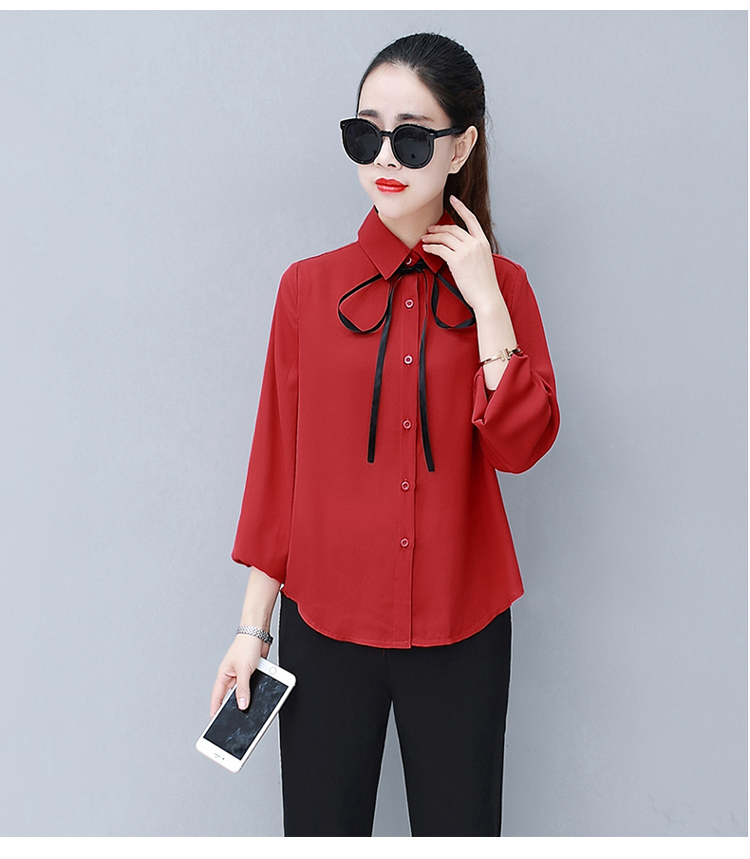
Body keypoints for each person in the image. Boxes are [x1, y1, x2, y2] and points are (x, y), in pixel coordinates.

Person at [210, 32, 559, 837]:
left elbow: (520, 447)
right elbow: (278, 466)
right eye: (365, 133)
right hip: (324, 629)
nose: (386, 158)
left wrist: (486, 302)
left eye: (413, 136)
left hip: (462, 625)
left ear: (460, 146)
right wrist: (252, 629)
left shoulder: (503, 289)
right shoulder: (307, 289)